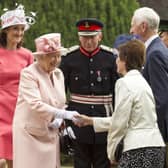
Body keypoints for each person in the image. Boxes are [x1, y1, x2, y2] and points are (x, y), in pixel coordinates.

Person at [74, 39, 166, 168]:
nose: (115, 61)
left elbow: (119, 122)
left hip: (136, 149)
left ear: (125, 60)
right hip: (156, 147)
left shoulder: (123, 83)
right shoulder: (143, 82)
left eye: (118, 57)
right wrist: (91, 121)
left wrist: (112, 153)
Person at [12, 33, 79, 168]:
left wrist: (60, 118)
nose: (56, 60)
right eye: (52, 56)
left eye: (58, 56)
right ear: (40, 57)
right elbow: (35, 104)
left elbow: (59, 102)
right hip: (29, 135)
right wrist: (64, 115)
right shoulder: (28, 74)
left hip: (50, 134)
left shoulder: (58, 74)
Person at [59, 18, 118, 168]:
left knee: (103, 163)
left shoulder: (111, 58)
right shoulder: (69, 59)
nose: (88, 41)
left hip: (104, 119)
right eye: (85, 37)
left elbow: (118, 92)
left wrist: (117, 119)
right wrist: (63, 120)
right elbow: (60, 92)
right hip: (77, 120)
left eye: (92, 37)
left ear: (100, 36)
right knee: (80, 164)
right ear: (79, 37)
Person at [130, 7, 168, 167]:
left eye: (133, 25)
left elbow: (160, 99)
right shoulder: (155, 49)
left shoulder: (155, 53)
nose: (131, 30)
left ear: (143, 26)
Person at [0, 4, 35, 168]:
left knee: (16, 157)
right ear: (5, 30)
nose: (19, 33)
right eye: (15, 28)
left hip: (20, 109)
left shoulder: (27, 55)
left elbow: (33, 83)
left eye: (22, 29)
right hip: (1, 109)